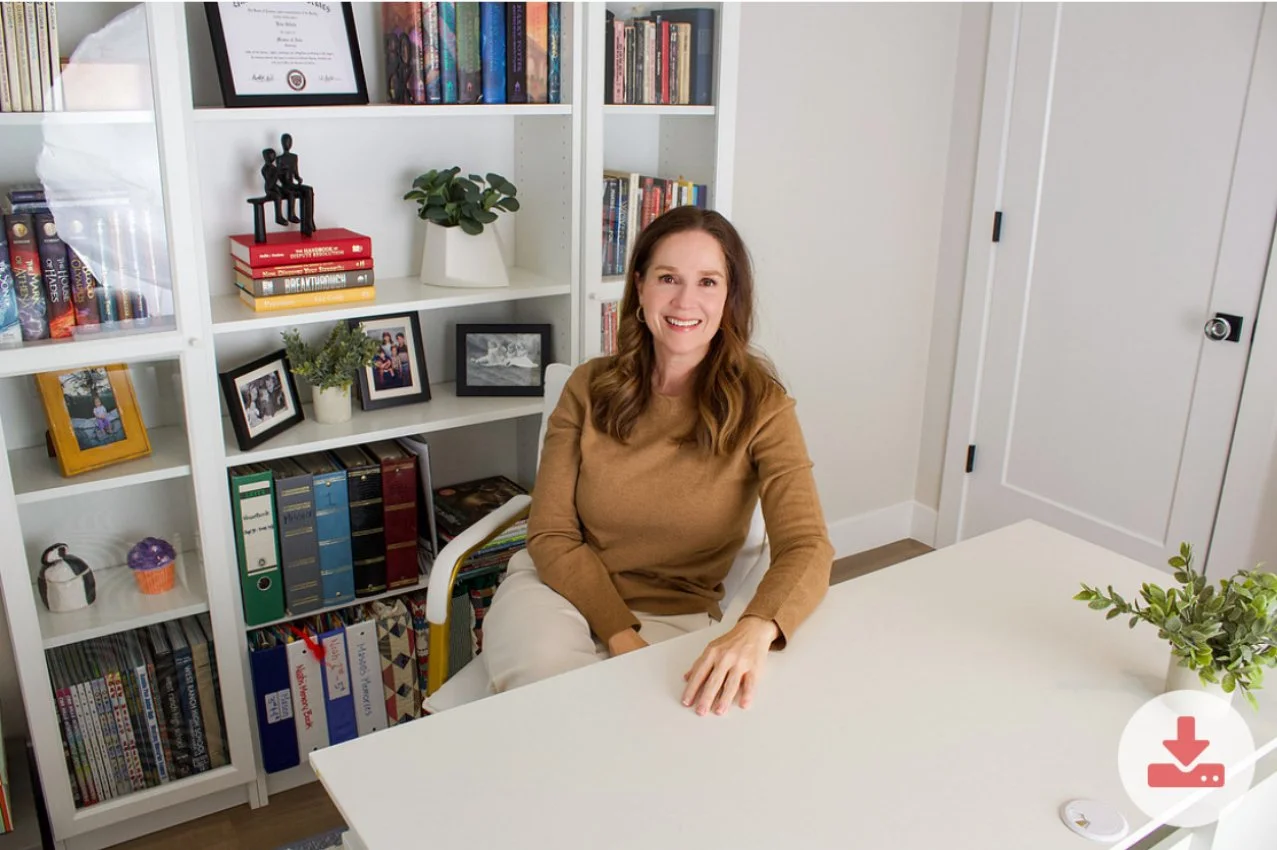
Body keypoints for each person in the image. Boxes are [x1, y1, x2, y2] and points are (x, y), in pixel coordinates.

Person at [482, 205, 834, 717]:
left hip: (676, 612)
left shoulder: (764, 408)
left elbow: (807, 545)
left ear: (730, 298)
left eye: (708, 282)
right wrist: (619, 637)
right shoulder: (587, 387)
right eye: (668, 278)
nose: (685, 300)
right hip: (555, 590)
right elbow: (552, 534)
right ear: (640, 287)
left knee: (639, 730)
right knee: (552, 698)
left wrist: (756, 629)